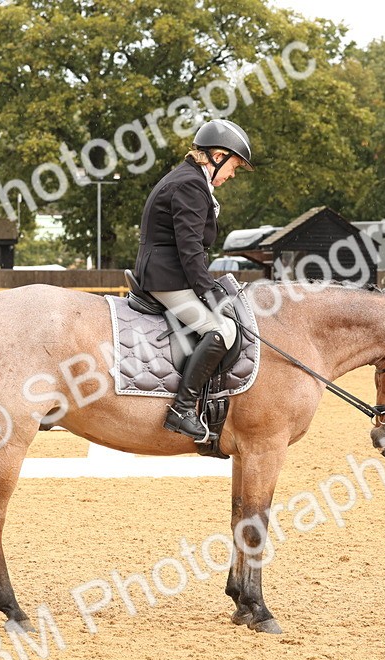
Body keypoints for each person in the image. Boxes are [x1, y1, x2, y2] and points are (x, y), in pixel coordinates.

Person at [134, 119, 254, 440]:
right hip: (167, 277)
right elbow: (189, 249)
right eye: (234, 166)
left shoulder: (190, 180)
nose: (232, 174)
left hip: (170, 271)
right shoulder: (190, 185)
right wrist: (208, 292)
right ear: (217, 156)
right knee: (222, 329)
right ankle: (182, 408)